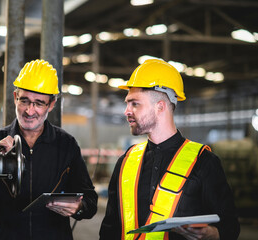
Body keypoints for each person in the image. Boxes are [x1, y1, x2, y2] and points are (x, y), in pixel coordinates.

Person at [99, 59, 240, 240]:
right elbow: (110, 228)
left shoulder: (204, 162)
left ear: (160, 106)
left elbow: (231, 227)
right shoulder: (126, 161)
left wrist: (212, 234)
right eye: (127, 103)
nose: (126, 110)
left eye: (135, 103)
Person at [0, 59, 98, 239]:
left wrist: (79, 207)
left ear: (51, 104)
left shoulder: (66, 145)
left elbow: (91, 201)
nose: (30, 111)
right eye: (24, 101)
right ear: (15, 96)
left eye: (39, 103)